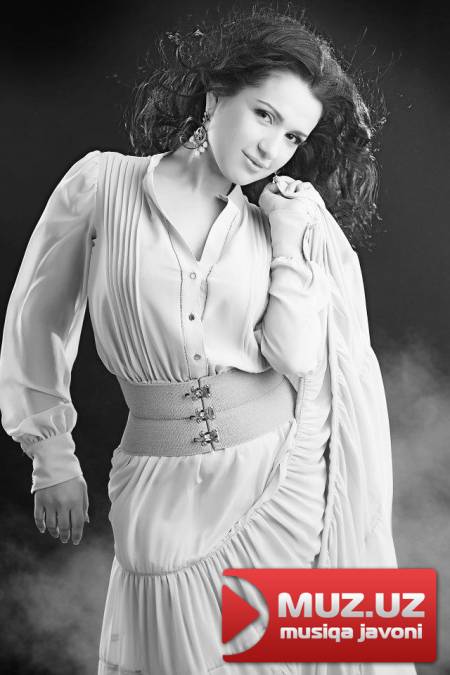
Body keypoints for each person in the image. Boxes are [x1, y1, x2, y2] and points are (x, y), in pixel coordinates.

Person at [0, 5, 417, 675]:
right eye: (264, 115)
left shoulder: (274, 225)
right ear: (217, 93)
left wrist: (290, 238)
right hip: (156, 487)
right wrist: (52, 456)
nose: (271, 148)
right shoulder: (101, 185)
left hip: (283, 484)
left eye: (292, 135)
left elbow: (295, 356)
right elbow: (37, 318)